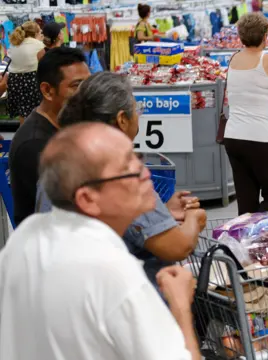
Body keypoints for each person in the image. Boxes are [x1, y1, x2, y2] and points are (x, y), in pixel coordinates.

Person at [0, 123, 201, 360]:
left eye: (138, 158)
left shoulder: (26, 237)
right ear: (87, 198)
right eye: (128, 169)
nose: (145, 173)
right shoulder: (114, 272)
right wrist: (180, 305)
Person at [36, 71, 206, 288]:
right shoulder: (119, 172)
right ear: (122, 120)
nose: (139, 116)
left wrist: (161, 211)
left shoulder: (59, 165)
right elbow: (177, 246)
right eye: (137, 110)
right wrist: (194, 219)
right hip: (127, 304)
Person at [223, 13, 268, 215]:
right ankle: (256, 230)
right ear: (265, 35)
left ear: (241, 36)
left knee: (246, 201)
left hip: (233, 137)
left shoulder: (234, 58)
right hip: (260, 138)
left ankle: (244, 242)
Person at [9, 47, 91, 227]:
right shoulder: (36, 145)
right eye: (76, 86)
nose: (86, 94)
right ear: (47, 91)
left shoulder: (63, 124)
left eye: (88, 84)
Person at [7, 21, 45, 125]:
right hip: (31, 78)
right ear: (36, 33)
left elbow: (7, 60)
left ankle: (22, 136)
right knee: (36, 111)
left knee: (22, 112)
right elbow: (43, 63)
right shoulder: (39, 45)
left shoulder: (13, 45)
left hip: (14, 80)